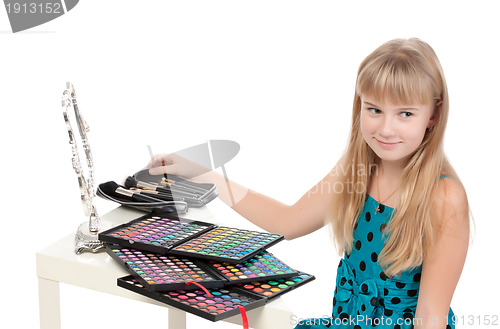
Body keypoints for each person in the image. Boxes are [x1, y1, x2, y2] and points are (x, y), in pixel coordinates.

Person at [147, 38, 470, 329]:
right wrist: (205, 173)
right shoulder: (358, 170)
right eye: (374, 109)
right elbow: (286, 223)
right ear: (359, 105)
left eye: (405, 114)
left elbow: (431, 318)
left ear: (433, 115)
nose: (386, 129)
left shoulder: (443, 197)